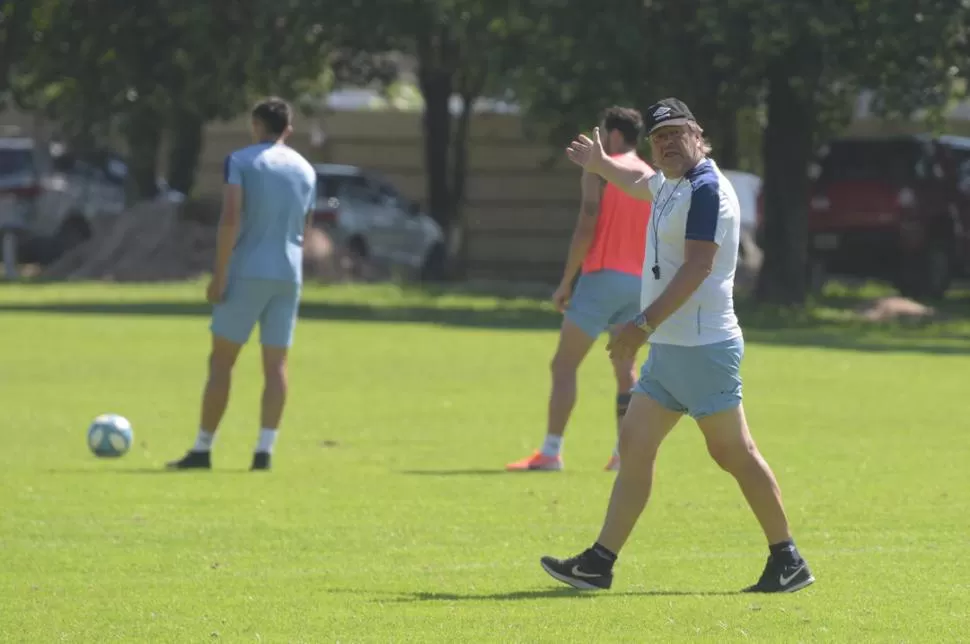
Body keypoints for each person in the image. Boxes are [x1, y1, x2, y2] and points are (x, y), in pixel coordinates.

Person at [539, 98, 814, 593]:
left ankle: (787, 559)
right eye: (659, 137)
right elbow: (640, 185)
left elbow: (697, 266)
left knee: (734, 453)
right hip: (671, 350)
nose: (666, 143)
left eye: (676, 134)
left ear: (698, 135)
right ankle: (599, 562)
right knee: (635, 444)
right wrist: (600, 165)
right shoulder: (670, 181)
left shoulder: (708, 188)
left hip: (703, 347)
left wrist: (640, 325)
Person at [167, 97, 317, 472]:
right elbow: (306, 228)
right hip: (289, 273)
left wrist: (219, 275)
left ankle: (203, 449)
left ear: (255, 125)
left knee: (222, 361)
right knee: (276, 364)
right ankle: (264, 451)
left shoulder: (242, 160)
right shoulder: (306, 169)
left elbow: (230, 217)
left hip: (249, 270)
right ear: (288, 129)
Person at [506, 107, 654, 473]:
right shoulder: (651, 176)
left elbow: (587, 222)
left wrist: (566, 280)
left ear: (614, 136)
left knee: (564, 364)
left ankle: (551, 451)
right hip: (639, 285)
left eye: (604, 132)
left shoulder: (601, 167)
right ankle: (624, 453)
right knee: (625, 369)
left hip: (602, 278)